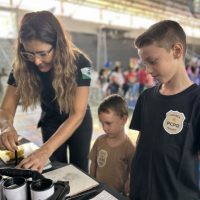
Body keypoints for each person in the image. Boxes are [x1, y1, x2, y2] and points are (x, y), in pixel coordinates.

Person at [0, 10, 93, 173]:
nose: (36, 61)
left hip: (78, 121)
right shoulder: (22, 65)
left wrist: (44, 150)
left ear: (58, 45)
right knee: (55, 169)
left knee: (79, 169)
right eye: (30, 53)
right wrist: (6, 127)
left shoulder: (81, 63)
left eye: (43, 53)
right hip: (50, 119)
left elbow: (77, 114)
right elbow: (6, 109)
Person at [129, 20, 200, 200]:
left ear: (177, 51)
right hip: (140, 192)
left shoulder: (196, 102)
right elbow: (141, 142)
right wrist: (132, 176)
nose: (148, 71)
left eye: (152, 62)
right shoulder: (146, 98)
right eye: (145, 64)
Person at [89, 94, 135, 195]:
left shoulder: (129, 148)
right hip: (98, 192)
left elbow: (134, 171)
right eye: (102, 123)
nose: (104, 128)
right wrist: (91, 183)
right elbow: (93, 165)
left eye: (108, 123)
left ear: (123, 119)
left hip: (117, 194)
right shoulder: (99, 141)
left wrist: (130, 182)